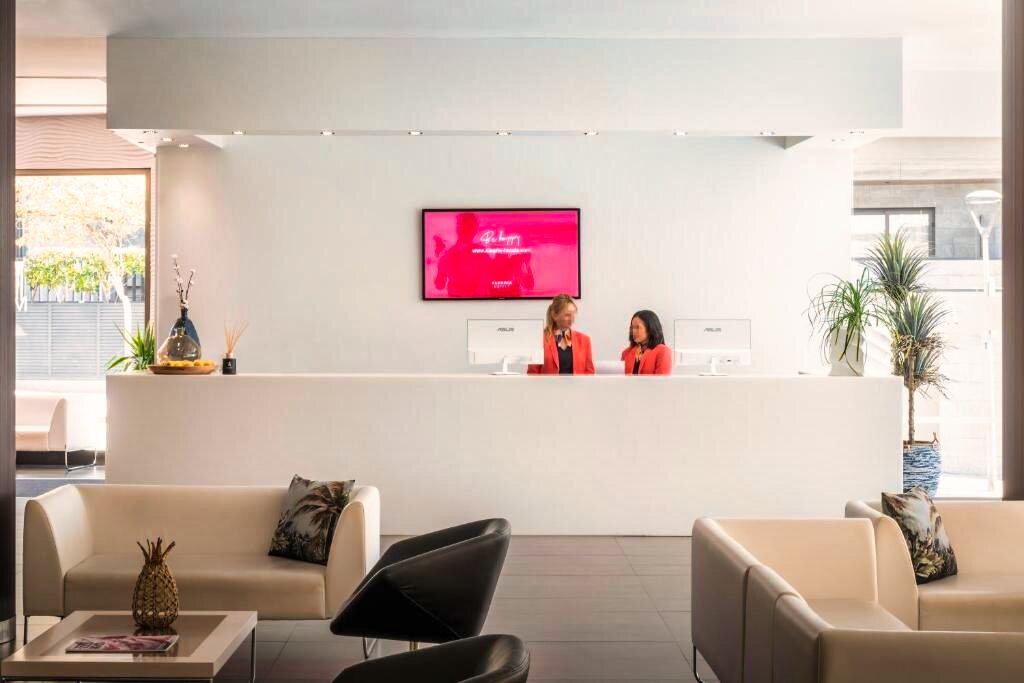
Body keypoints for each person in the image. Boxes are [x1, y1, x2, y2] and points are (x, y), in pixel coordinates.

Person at [527, 294, 595, 375]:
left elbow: (590, 373)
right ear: (554, 315)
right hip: (547, 384)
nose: (572, 319)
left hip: (577, 384)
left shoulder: (585, 340)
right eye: (567, 315)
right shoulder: (538, 339)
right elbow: (532, 373)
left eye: (574, 314)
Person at [621, 310, 672, 375]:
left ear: (650, 328)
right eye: (632, 328)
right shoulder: (626, 353)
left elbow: (662, 380)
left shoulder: (663, 351)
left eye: (637, 327)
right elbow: (619, 379)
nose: (633, 331)